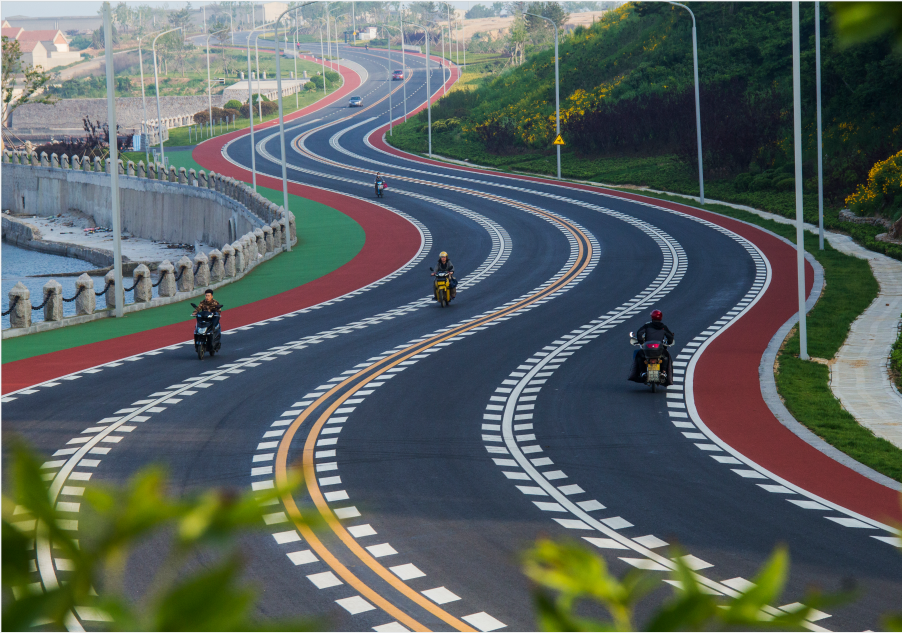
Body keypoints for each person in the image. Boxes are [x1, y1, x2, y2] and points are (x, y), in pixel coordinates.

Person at [628, 309, 675, 384]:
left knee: (639, 355)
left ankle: (643, 372)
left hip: (647, 350)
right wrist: (669, 342)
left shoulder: (647, 326)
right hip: (659, 350)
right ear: (661, 318)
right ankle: (663, 372)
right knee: (666, 356)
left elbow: (639, 333)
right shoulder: (663, 327)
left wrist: (641, 342)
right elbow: (670, 337)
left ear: (652, 317)